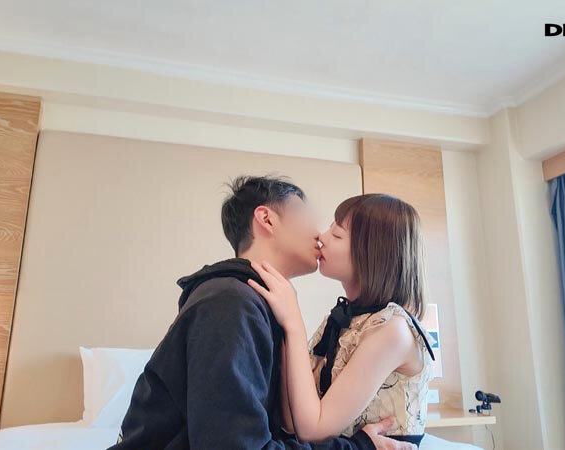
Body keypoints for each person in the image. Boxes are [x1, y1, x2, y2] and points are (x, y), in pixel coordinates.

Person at [108, 176, 416, 449]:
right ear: (266, 219)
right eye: (307, 218)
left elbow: (283, 429)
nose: (319, 234)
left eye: (336, 234)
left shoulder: (254, 306)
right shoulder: (229, 304)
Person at [248, 194, 435, 447]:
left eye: (336, 235)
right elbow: (292, 421)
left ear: (372, 253)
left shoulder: (393, 330)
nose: (321, 237)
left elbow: (312, 431)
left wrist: (293, 322)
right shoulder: (342, 321)